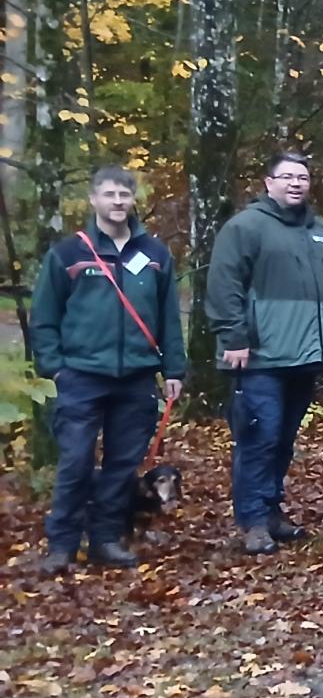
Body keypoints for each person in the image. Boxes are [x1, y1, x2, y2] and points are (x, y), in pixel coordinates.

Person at [30, 166, 188, 574]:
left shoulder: (154, 254)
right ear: (94, 200)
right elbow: (44, 317)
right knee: (76, 461)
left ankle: (105, 539)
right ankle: (62, 545)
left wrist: (174, 368)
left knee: (122, 464)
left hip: (136, 377)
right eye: (109, 194)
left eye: (124, 195)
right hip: (81, 376)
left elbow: (169, 316)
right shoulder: (69, 253)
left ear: (133, 200)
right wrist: (56, 368)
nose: (118, 202)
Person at [206, 151, 323, 553]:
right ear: (268, 182)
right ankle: (253, 520)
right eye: (287, 176)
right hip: (260, 357)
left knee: (284, 439)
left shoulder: (320, 232)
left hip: (305, 355)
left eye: (303, 177)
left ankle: (272, 510)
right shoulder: (246, 227)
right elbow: (225, 287)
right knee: (260, 436)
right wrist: (233, 338)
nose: (296, 184)